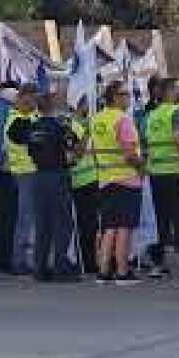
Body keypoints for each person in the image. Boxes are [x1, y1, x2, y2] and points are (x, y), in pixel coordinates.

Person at [11, 92, 79, 282]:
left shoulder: (33, 128)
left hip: (38, 175)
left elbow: (26, 145)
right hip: (56, 175)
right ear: (52, 105)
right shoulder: (60, 126)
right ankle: (60, 266)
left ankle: (40, 267)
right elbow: (71, 149)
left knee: (43, 223)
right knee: (62, 223)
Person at [144, 77, 179, 280]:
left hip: (157, 173)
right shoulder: (178, 112)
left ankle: (157, 263)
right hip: (177, 172)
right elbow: (178, 139)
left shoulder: (152, 115)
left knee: (160, 220)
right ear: (169, 91)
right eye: (177, 88)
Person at [92, 80, 145, 286]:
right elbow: (130, 154)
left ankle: (104, 271)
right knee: (124, 226)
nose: (129, 98)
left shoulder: (97, 119)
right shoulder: (123, 120)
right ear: (115, 97)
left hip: (105, 180)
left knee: (109, 226)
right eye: (125, 94)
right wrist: (143, 166)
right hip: (126, 179)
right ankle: (122, 271)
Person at [4, 84, 40, 275]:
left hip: (32, 172)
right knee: (25, 219)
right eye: (30, 100)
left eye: (35, 100)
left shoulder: (31, 117)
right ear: (21, 98)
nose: (34, 104)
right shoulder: (15, 120)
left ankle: (28, 258)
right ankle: (20, 260)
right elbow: (31, 139)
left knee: (30, 218)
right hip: (24, 174)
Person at [69, 96, 100, 275]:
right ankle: (87, 262)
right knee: (86, 225)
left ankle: (91, 259)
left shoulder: (86, 122)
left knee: (92, 224)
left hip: (92, 178)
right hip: (81, 181)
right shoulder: (73, 125)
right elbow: (77, 154)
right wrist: (88, 133)